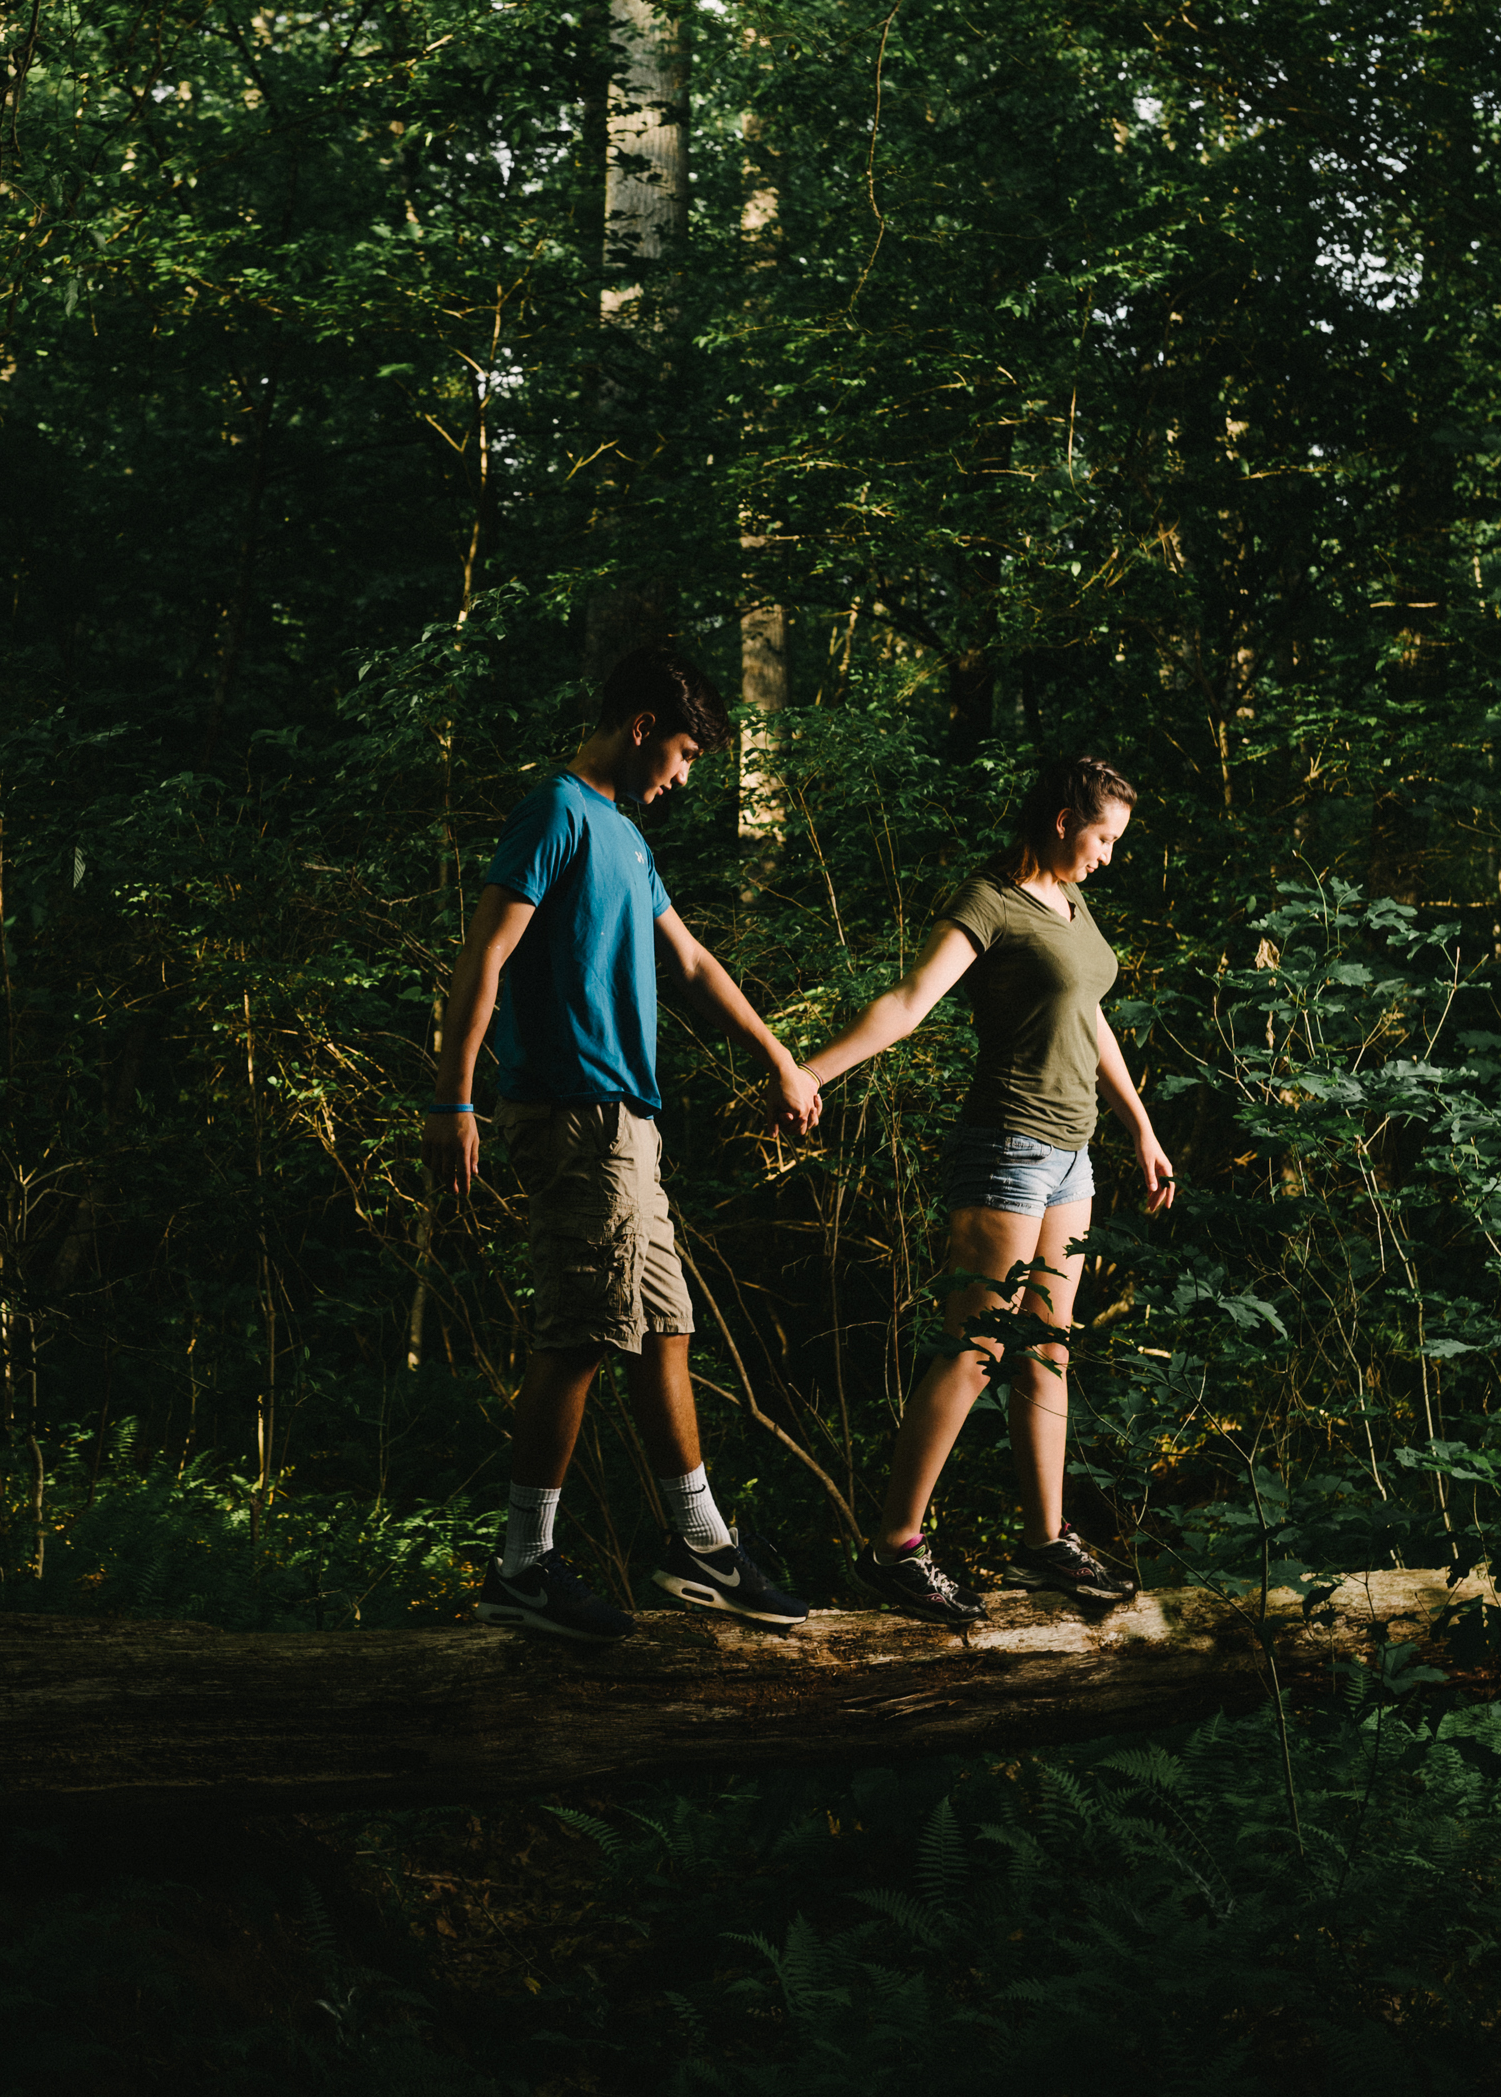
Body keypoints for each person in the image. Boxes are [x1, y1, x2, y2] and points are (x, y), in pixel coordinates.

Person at [425, 645, 824, 1641]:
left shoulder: (627, 839)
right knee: (580, 1333)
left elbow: (687, 957)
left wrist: (776, 1055)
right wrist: (453, 1097)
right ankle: (521, 1564)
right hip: (571, 1111)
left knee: (663, 1325)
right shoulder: (558, 810)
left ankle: (699, 1544)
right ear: (642, 725)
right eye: (685, 752)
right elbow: (486, 949)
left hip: (627, 1126)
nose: (684, 776)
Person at [801, 756, 1176, 1624]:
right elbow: (908, 1000)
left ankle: (1044, 1543)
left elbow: (1091, 1021)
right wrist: (809, 1072)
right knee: (975, 1349)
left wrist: (1141, 1128)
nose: (1109, 856)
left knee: (1048, 1348)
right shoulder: (988, 901)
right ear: (1059, 818)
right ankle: (895, 1545)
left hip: (1072, 1155)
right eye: (1103, 836)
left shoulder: (1073, 907)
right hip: (1006, 1146)